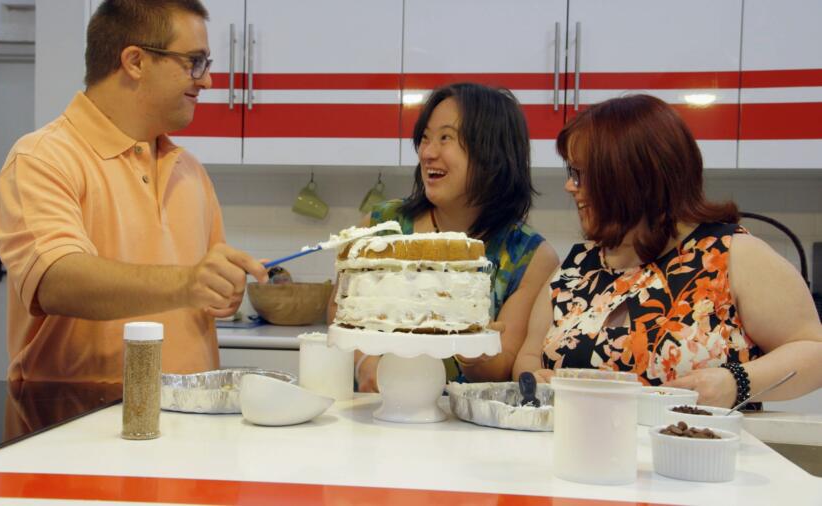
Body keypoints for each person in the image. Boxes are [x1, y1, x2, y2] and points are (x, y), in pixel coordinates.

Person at [0, 0, 267, 382]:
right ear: (135, 61)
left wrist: (220, 288)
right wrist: (188, 282)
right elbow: (57, 281)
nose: (206, 81)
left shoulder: (190, 171)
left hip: (188, 420)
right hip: (73, 427)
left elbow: (201, 287)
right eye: (194, 62)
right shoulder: (42, 158)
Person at [512, 94, 822, 408]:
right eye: (572, 173)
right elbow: (530, 355)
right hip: (579, 450)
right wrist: (534, 379)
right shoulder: (576, 268)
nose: (570, 186)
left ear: (634, 178)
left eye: (582, 174)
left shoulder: (732, 256)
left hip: (697, 452)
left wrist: (736, 382)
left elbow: (813, 348)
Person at [329, 82, 559, 392]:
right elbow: (341, 308)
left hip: (464, 429)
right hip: (375, 414)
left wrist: (472, 348)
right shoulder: (383, 227)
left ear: (491, 152)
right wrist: (365, 364)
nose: (427, 152)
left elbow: (503, 364)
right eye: (425, 138)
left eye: (445, 138)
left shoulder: (529, 257)